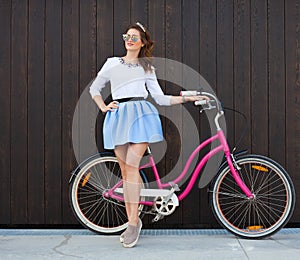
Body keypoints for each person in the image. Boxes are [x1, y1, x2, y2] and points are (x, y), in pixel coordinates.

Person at [89, 22, 209, 248]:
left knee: (132, 167)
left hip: (141, 114)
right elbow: (95, 89)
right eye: (127, 35)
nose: (130, 39)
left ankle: (133, 223)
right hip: (118, 116)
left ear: (143, 43)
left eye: (135, 37)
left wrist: (187, 98)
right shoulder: (112, 63)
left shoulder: (146, 68)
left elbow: (161, 98)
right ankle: (132, 221)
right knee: (125, 171)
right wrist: (103, 107)